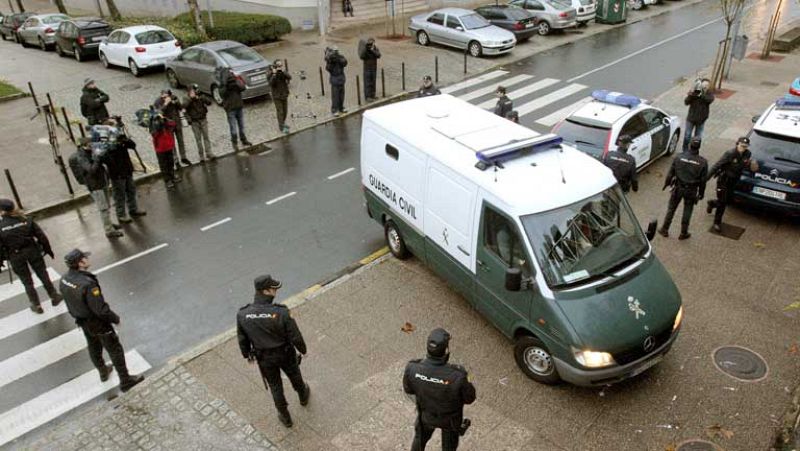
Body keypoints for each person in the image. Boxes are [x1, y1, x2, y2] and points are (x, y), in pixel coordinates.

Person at [60, 249, 145, 392]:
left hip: (82, 321)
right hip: (98, 323)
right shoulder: (87, 283)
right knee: (115, 349)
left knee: (94, 347)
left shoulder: (64, 279)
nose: (87, 259)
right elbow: (100, 309)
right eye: (85, 258)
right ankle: (125, 380)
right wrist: (115, 319)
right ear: (80, 263)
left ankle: (103, 371)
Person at [237, 275, 310, 428]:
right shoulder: (281, 312)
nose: (276, 291)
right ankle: (303, 395)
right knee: (294, 374)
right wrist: (303, 350)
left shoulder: (243, 314)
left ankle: (285, 416)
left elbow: (242, 339)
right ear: (266, 291)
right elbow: (295, 335)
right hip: (285, 353)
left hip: (264, 357)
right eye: (274, 289)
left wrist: (247, 354)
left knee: (275, 386)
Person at [403, 328, 476, 451]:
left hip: (426, 415)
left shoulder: (412, 368)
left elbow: (408, 390)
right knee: (449, 447)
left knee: (419, 439)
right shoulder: (458, 375)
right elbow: (470, 398)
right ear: (446, 351)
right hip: (450, 421)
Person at [0, 199, 62, 313]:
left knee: (27, 281)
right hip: (32, 251)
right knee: (43, 274)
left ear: (2, 211)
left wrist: (3, 259)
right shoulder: (25, 219)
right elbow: (41, 236)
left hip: (15, 255)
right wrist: (48, 250)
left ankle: (36, 305)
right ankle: (54, 296)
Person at [69, 138, 123, 238]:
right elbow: (91, 170)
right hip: (95, 186)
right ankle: (108, 230)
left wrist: (104, 155)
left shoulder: (91, 152)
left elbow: (108, 162)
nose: (93, 146)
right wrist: (96, 158)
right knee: (103, 208)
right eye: (91, 144)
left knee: (107, 205)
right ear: (85, 145)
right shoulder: (82, 157)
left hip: (102, 182)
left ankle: (109, 223)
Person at [659, 137, 708, 240]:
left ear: (690, 145)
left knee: (671, 209)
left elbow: (670, 174)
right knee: (687, 211)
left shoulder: (679, 157)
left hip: (678, 188)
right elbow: (703, 181)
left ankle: (664, 229)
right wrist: (701, 193)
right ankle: (683, 232)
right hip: (691, 190)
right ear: (699, 147)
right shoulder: (703, 162)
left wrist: (666, 184)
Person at [707, 136, 758, 232]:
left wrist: (752, 164)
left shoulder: (747, 154)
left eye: (745, 147)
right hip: (724, 180)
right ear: (737, 144)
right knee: (722, 202)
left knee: (728, 200)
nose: (743, 148)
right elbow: (717, 165)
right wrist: (706, 178)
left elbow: (750, 167)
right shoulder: (730, 154)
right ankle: (717, 223)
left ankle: (712, 203)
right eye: (742, 146)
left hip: (734, 180)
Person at [100, 122, 146, 223]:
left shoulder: (120, 138)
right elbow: (104, 157)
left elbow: (133, 145)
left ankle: (133, 209)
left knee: (131, 190)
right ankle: (121, 214)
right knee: (119, 194)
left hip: (127, 168)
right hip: (116, 172)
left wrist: (124, 139)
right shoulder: (105, 142)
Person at [154, 89, 189, 168]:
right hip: (168, 126)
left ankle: (183, 157)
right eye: (165, 96)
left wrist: (176, 102)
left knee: (181, 141)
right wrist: (166, 103)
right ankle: (176, 160)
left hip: (177, 123)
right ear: (162, 95)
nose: (167, 97)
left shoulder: (173, 97)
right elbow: (159, 113)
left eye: (168, 95)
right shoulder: (157, 102)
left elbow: (180, 108)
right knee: (172, 144)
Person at [221, 68, 253, 151]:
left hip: (239, 106)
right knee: (233, 128)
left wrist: (236, 80)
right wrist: (226, 84)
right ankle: (234, 142)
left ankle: (243, 140)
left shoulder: (236, 82)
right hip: (230, 109)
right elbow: (222, 94)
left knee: (241, 126)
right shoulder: (223, 84)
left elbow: (243, 87)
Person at [184, 84, 216, 163]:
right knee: (198, 139)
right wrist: (191, 99)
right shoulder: (186, 98)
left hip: (203, 119)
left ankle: (209, 153)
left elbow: (209, 102)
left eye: (195, 90)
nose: (194, 91)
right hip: (194, 122)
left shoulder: (200, 96)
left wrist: (201, 97)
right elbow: (183, 107)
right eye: (193, 90)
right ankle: (201, 155)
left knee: (206, 137)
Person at [150, 109, 182, 190]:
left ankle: (173, 176)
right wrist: (158, 128)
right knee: (164, 165)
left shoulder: (165, 121)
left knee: (170, 162)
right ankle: (167, 180)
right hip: (160, 148)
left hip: (168, 146)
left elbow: (173, 124)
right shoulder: (153, 124)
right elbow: (154, 135)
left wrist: (165, 120)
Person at [682, 78, 714, 151]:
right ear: (701, 85)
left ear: (709, 87)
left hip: (701, 119)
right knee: (687, 136)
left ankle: (695, 150)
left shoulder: (709, 94)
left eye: (707, 85)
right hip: (691, 118)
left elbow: (709, 100)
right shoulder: (695, 93)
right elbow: (686, 102)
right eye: (703, 85)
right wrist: (692, 94)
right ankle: (685, 150)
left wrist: (700, 94)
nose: (705, 87)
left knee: (698, 137)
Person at [268, 60, 292, 134]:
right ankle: (281, 127)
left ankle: (283, 123)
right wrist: (274, 74)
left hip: (284, 94)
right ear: (275, 66)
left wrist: (283, 72)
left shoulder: (283, 72)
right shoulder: (270, 73)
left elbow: (289, 77)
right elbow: (271, 83)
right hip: (277, 95)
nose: (280, 67)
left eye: (281, 65)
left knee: (285, 111)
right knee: (280, 111)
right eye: (278, 65)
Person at [325, 46, 348, 116]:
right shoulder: (330, 60)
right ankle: (334, 110)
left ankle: (341, 108)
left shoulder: (340, 57)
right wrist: (330, 61)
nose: (336, 53)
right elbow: (328, 69)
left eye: (336, 51)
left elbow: (345, 63)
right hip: (334, 79)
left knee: (341, 95)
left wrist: (338, 59)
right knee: (335, 96)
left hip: (341, 78)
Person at [359, 37, 381, 102]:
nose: (371, 45)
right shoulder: (365, 50)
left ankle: (372, 95)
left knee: (373, 82)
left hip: (374, 68)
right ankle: (367, 97)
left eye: (372, 43)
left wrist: (372, 50)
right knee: (367, 82)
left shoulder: (375, 49)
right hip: (367, 68)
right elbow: (362, 56)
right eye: (370, 43)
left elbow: (378, 55)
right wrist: (366, 49)